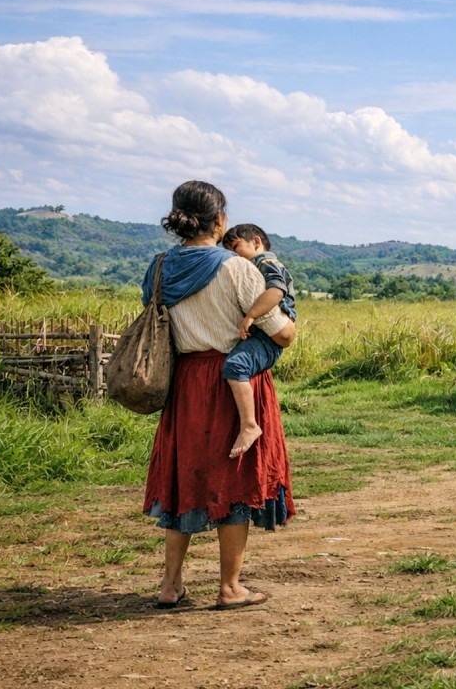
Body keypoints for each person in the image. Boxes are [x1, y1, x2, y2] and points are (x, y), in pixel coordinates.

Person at [140, 180, 298, 611]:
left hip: (185, 383)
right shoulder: (237, 269)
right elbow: (281, 334)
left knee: (184, 477)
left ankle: (170, 585)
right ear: (220, 220)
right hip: (232, 381)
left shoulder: (157, 268)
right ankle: (230, 587)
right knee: (235, 481)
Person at [220, 224, 297, 459]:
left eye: (236, 247)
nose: (233, 255)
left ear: (256, 242)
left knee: (235, 366)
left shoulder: (266, 263)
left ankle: (249, 425)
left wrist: (251, 315)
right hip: (262, 335)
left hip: (269, 337)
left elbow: (276, 292)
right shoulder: (253, 265)